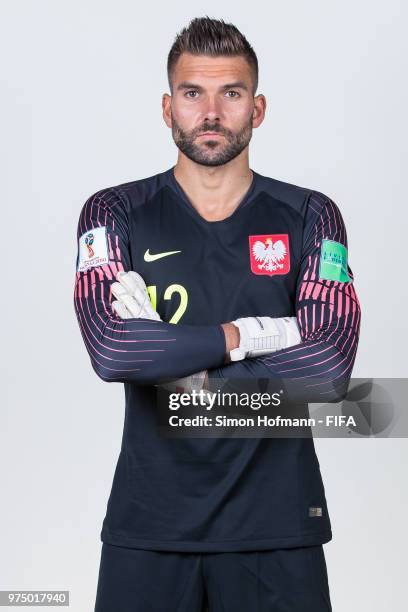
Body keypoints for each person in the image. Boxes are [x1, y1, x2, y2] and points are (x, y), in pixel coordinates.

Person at [73, 16, 361, 612]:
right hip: (150, 528)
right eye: (192, 93)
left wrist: (178, 373)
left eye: (230, 94)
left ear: (256, 109)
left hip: (278, 528)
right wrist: (251, 334)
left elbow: (328, 369)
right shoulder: (115, 212)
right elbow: (113, 351)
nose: (210, 112)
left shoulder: (311, 216)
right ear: (166, 107)